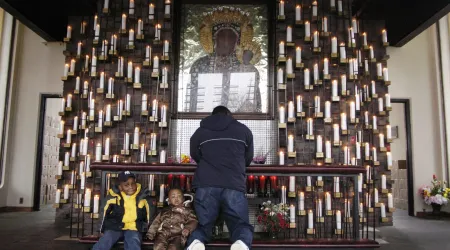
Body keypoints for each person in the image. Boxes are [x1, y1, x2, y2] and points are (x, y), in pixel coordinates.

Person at [186, 106, 254, 250]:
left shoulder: (200, 131)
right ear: (229, 115)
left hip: (206, 185)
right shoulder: (243, 130)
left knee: (203, 224)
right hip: (233, 184)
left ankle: (196, 243)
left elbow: (194, 154)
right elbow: (247, 158)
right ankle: (240, 244)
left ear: (212, 115)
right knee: (240, 225)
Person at [93, 171, 151, 250]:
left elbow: (149, 214)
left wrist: (149, 231)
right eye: (126, 185)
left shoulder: (142, 196)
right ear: (120, 187)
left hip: (134, 227)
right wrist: (100, 230)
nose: (130, 187)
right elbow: (103, 212)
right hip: (115, 226)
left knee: (133, 241)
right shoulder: (113, 196)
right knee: (105, 240)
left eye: (133, 184)